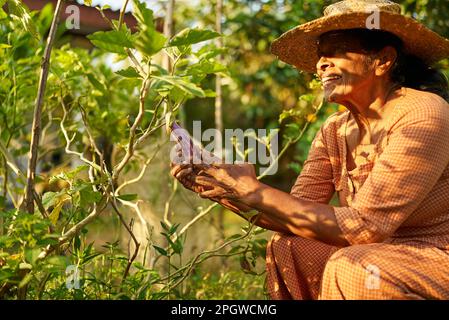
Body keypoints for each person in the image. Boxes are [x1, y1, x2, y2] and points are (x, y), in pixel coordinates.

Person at [170, 0, 449, 299]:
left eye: (338, 50)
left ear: (383, 60)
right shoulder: (335, 129)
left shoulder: (423, 113)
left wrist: (251, 189)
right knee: (288, 245)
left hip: (435, 254)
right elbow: (295, 217)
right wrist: (223, 187)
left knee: (353, 266)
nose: (321, 64)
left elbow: (366, 227)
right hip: (379, 251)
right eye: (320, 55)